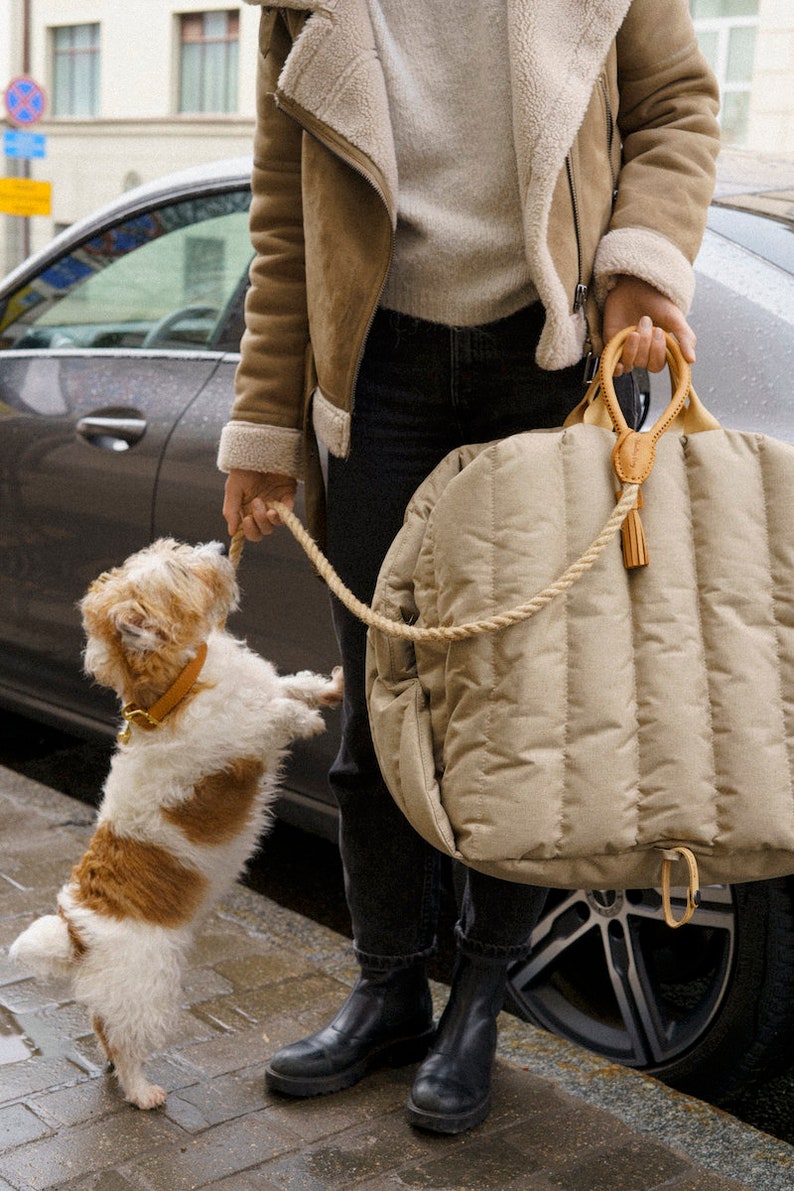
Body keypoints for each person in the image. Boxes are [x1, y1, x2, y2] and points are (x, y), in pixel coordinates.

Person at [219, 0, 721, 1135]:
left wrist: (642, 260)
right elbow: (283, 222)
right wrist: (262, 434)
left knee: (517, 726)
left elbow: (676, 106)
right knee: (378, 713)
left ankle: (481, 999)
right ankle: (389, 986)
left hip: (544, 364)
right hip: (380, 373)